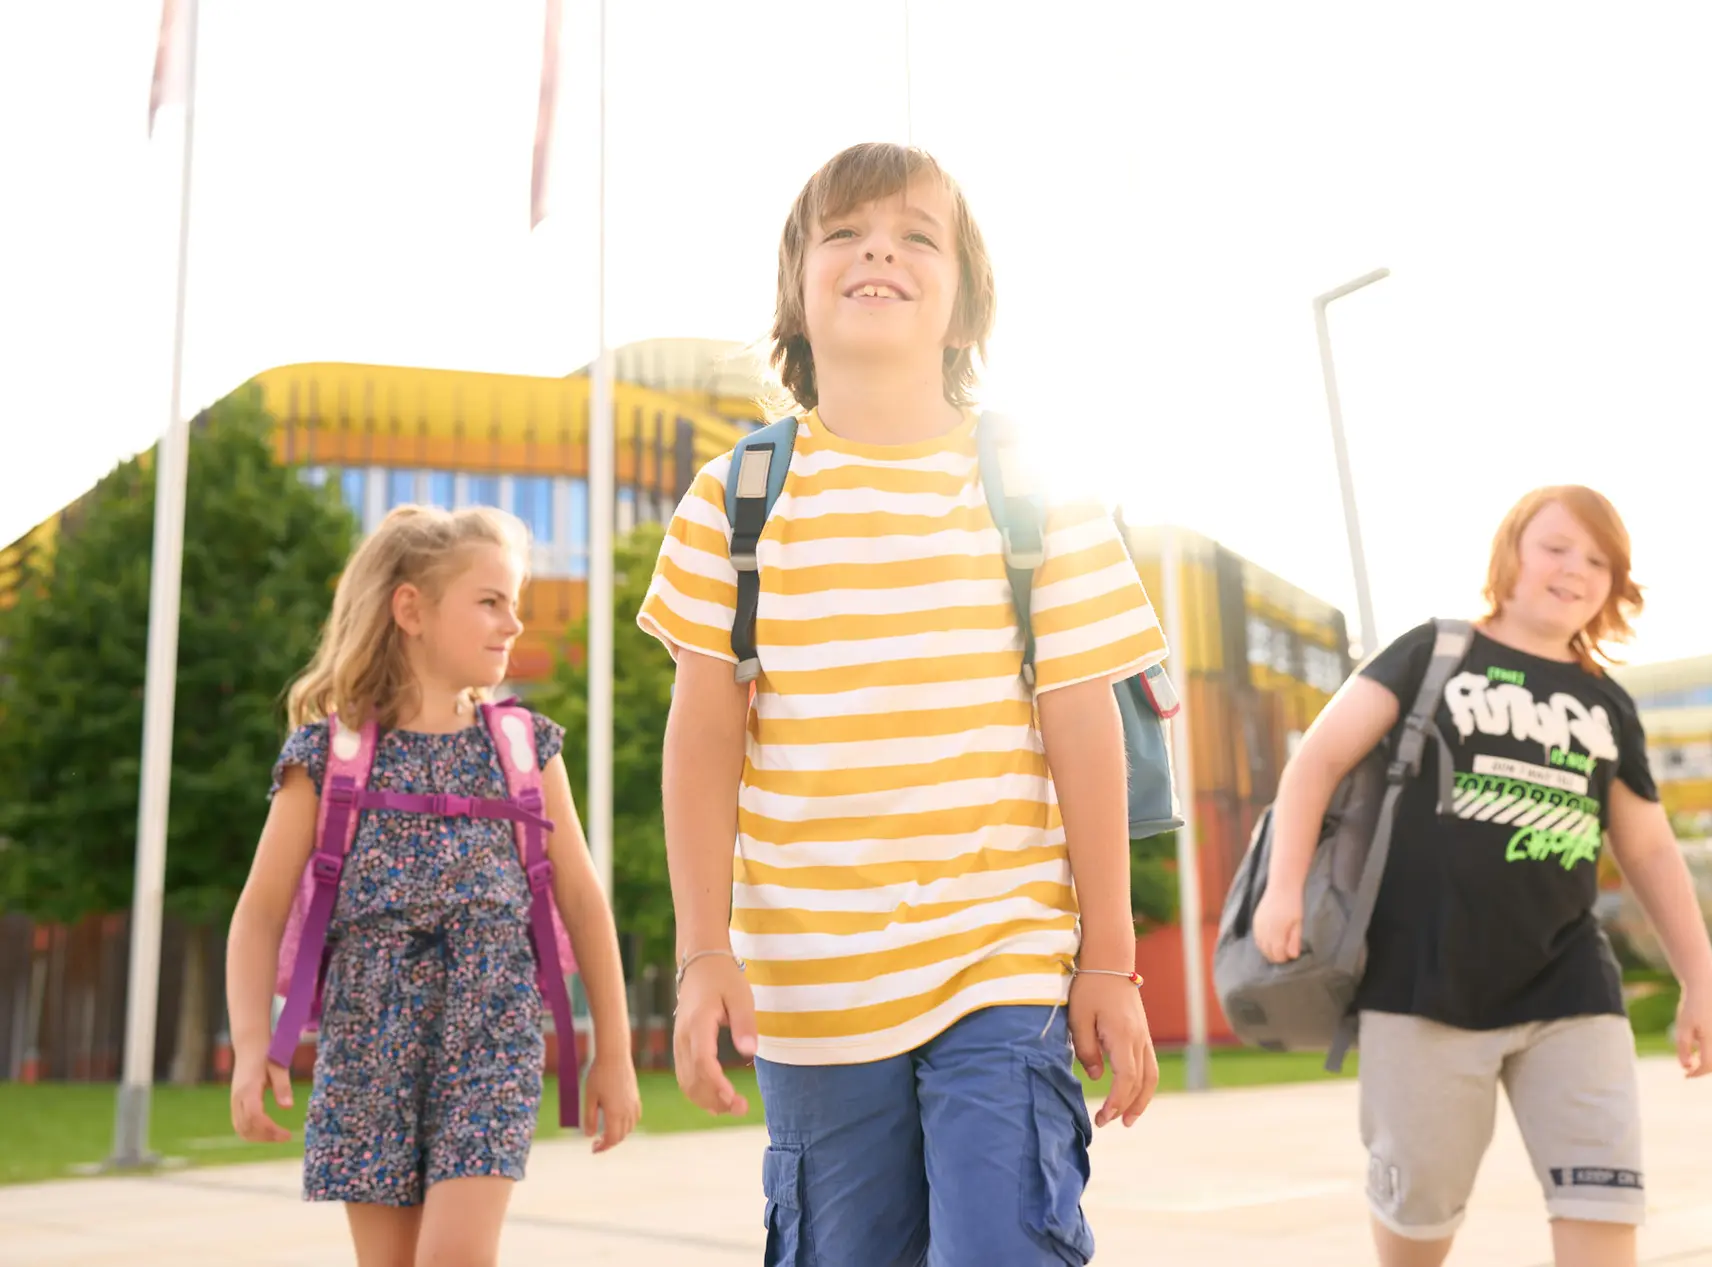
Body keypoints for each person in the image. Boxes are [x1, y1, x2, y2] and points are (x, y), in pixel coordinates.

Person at [638, 141, 1166, 1266]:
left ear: (966, 306)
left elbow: (1083, 728)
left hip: (1001, 955)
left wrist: (1108, 961)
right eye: (846, 231)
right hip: (810, 980)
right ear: (798, 286)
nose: (879, 246)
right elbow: (701, 743)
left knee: (1002, 1248)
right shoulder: (733, 499)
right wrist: (700, 954)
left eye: (916, 234)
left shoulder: (1034, 488)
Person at [1254, 485, 1712, 1267]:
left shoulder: (1606, 702)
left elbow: (1648, 850)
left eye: (1598, 559)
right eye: (1555, 546)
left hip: (1569, 985)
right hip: (1421, 982)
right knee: (1419, 1224)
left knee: (1603, 1199)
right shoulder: (1434, 651)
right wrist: (1283, 888)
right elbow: (1317, 761)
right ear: (1509, 551)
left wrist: (1700, 981)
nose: (1575, 568)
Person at [225, 505, 640, 1267]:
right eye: (491, 601)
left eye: (515, 602)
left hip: (492, 1035)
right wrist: (255, 1047)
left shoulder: (526, 747)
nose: (513, 623)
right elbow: (258, 913)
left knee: (454, 1256)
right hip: (365, 1045)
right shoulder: (326, 755)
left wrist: (610, 1048)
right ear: (411, 608)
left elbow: (583, 902)